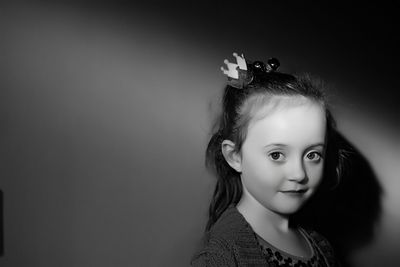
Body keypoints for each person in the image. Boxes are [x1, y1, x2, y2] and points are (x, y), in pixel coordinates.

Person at [191, 53, 346, 266]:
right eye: (276, 155)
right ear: (235, 156)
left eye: (312, 155)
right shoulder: (220, 258)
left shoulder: (320, 246)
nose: (299, 173)